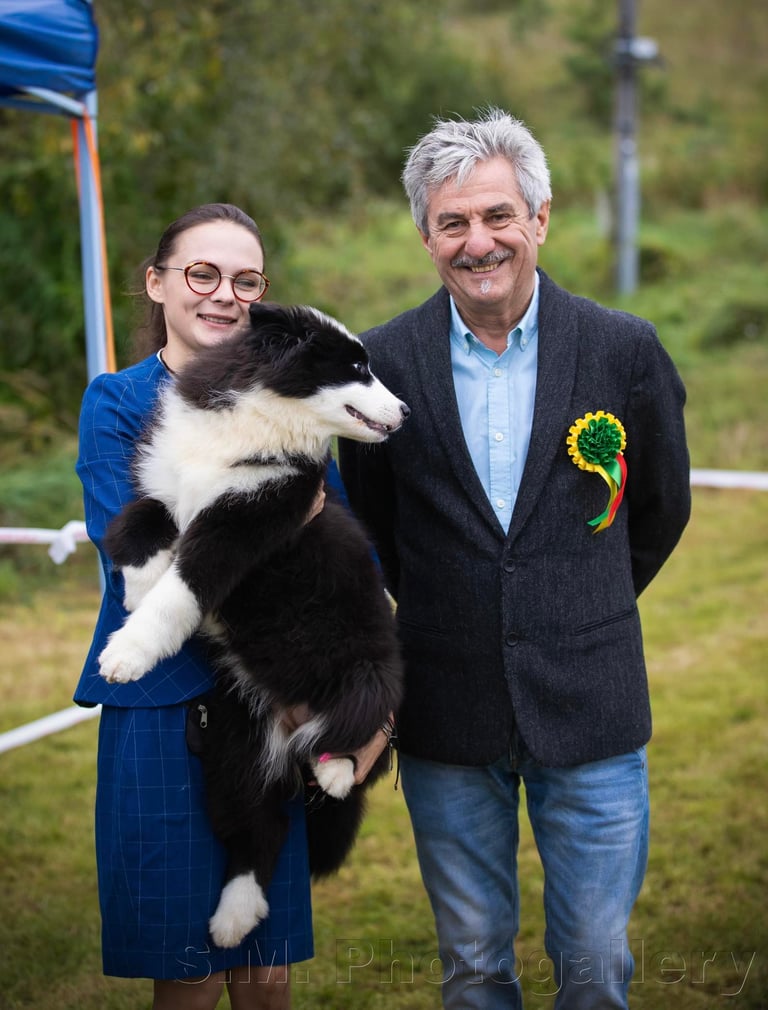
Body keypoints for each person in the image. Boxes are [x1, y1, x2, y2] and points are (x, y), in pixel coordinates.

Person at [338, 108, 691, 1009]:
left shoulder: (624, 349)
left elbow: (657, 510)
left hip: (594, 707)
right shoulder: (380, 365)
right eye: (453, 222)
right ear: (426, 236)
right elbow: (377, 526)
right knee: (472, 969)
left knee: (597, 966)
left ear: (539, 219)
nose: (478, 240)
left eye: (498, 215)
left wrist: (577, 599)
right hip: (447, 714)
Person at [75, 203, 385, 1010]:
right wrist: (261, 537)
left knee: (263, 970)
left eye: (246, 281)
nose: (224, 295)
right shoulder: (117, 401)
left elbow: (334, 543)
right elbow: (139, 546)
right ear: (157, 283)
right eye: (202, 274)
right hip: (163, 701)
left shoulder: (296, 402)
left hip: (277, 700)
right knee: (186, 972)